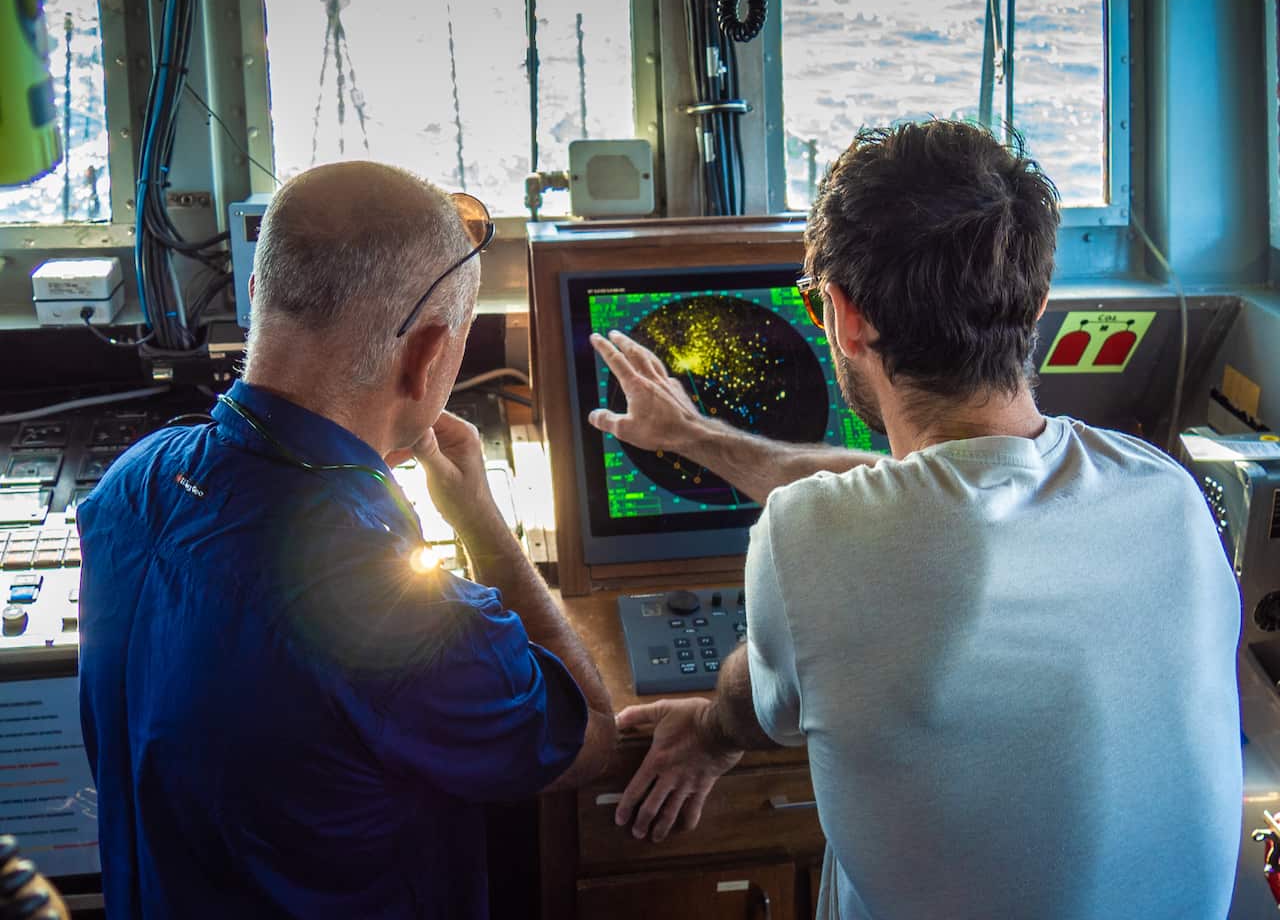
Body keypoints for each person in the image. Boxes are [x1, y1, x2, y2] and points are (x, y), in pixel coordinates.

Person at [589, 121, 1242, 919]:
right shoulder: (1165, 494)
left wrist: (710, 730)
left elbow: (758, 696)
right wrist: (693, 436)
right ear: (1038, 303)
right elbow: (923, 490)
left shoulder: (808, 539)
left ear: (843, 315)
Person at [78, 161, 615, 918]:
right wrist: (481, 525)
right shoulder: (393, 607)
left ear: (257, 298)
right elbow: (591, 735)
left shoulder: (129, 488)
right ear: (429, 355)